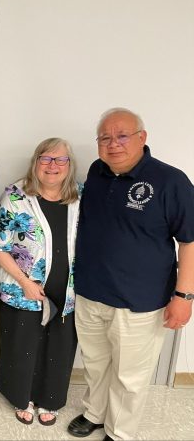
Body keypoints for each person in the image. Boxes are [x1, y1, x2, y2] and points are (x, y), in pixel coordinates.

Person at [68, 108, 194, 441]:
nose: (114, 144)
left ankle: (120, 432)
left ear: (142, 137)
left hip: (140, 300)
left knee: (130, 377)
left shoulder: (171, 181)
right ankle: (94, 413)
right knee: (95, 364)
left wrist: (184, 296)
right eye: (105, 137)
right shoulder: (97, 172)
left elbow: (190, 241)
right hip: (90, 291)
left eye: (122, 135)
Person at [0, 138, 81, 427]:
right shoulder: (16, 196)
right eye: (45, 159)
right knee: (23, 343)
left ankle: (50, 400)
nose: (52, 166)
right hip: (23, 287)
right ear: (35, 162)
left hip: (68, 289)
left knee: (59, 346)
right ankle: (21, 397)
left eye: (60, 160)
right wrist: (24, 281)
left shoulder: (81, 196)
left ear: (69, 165)